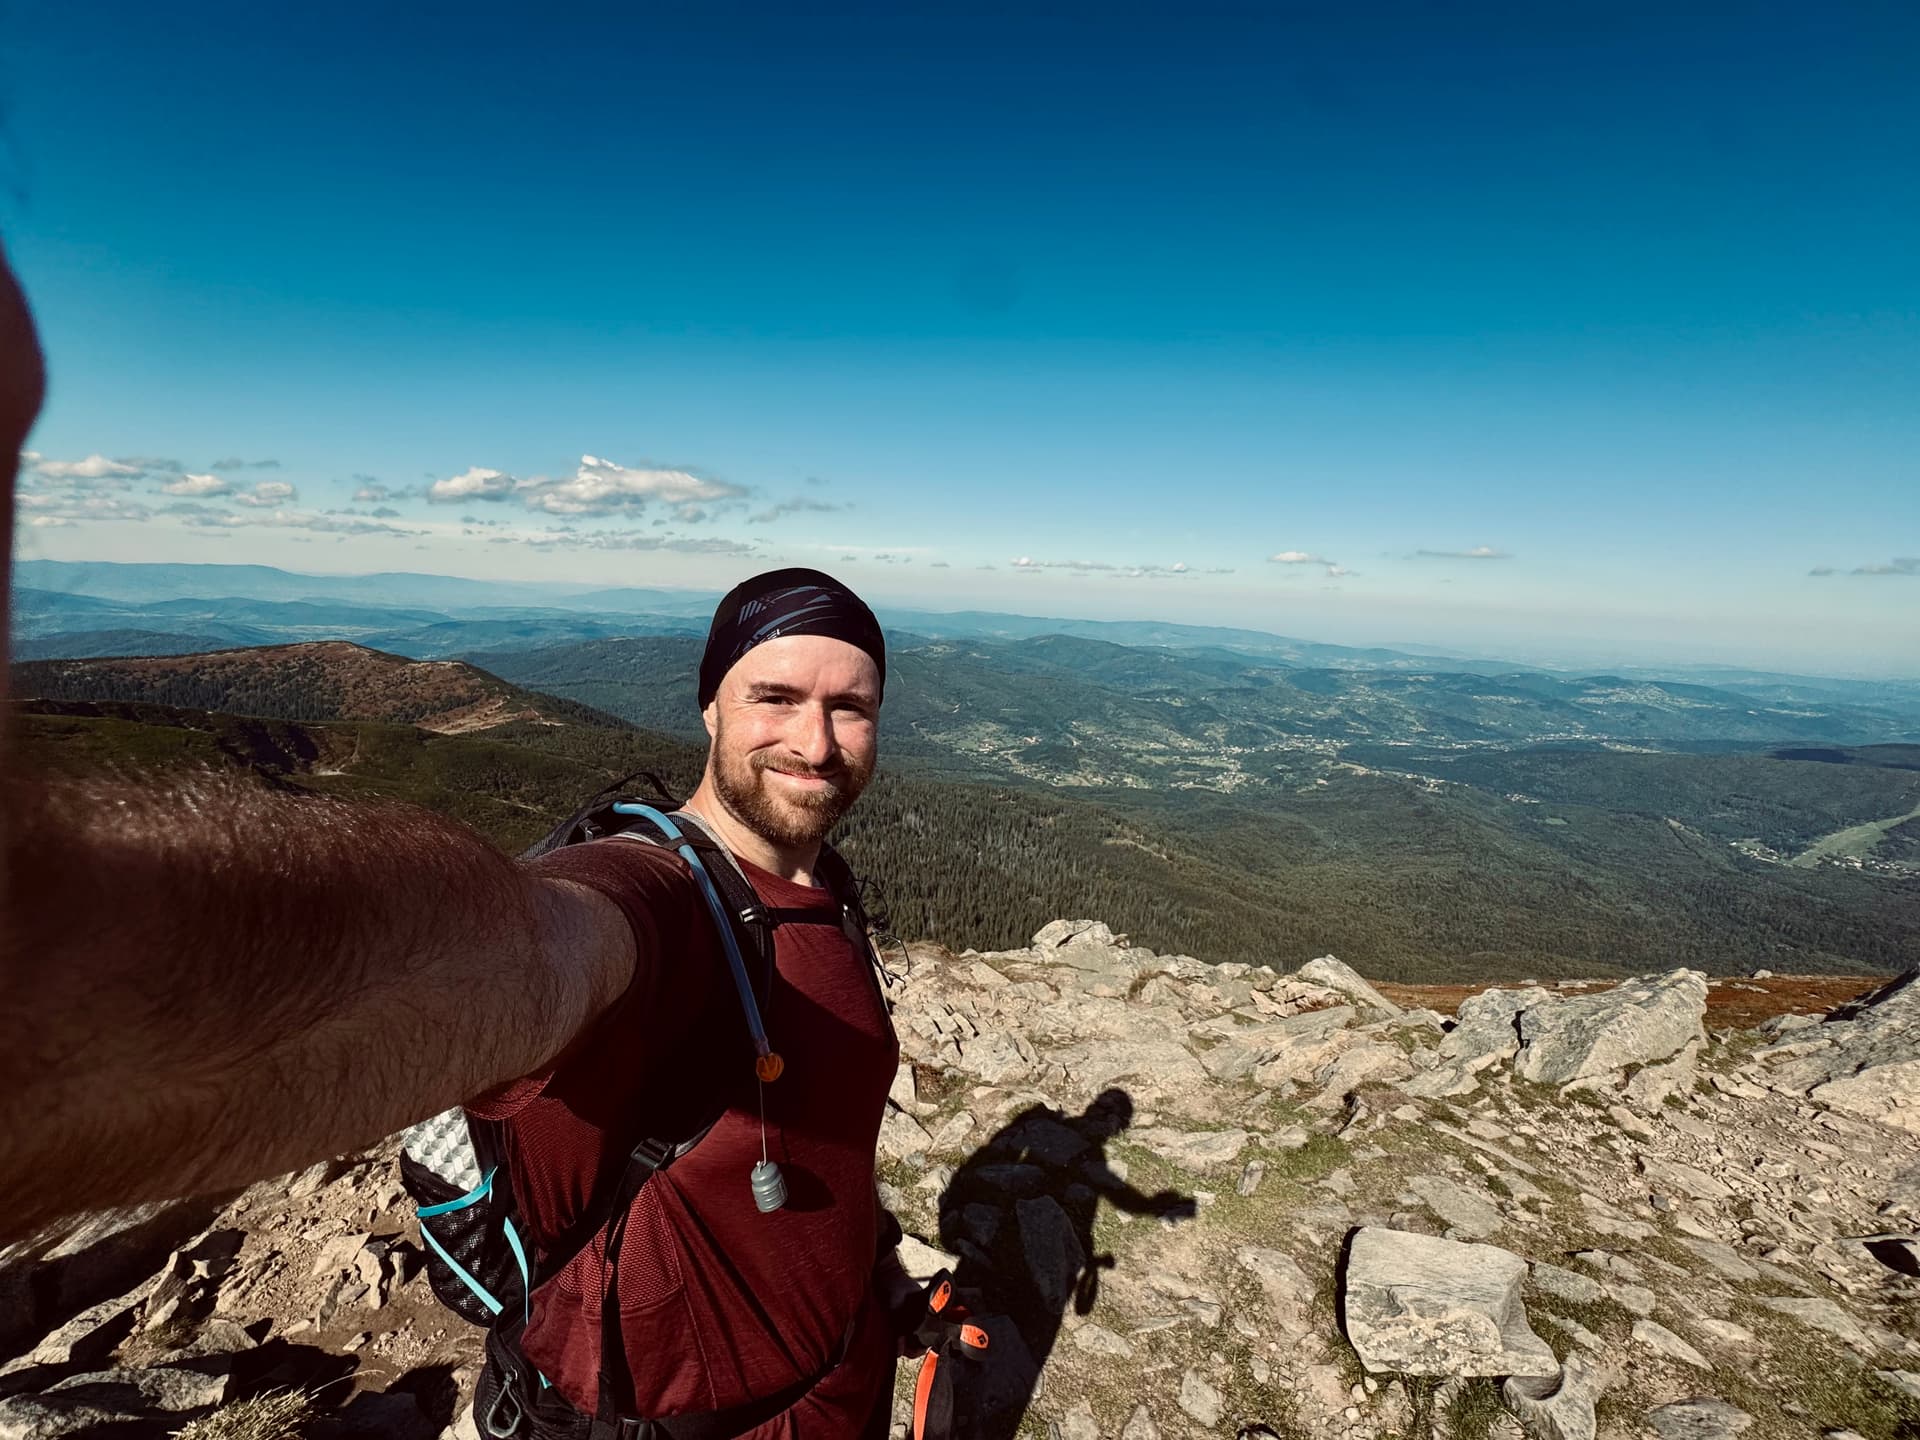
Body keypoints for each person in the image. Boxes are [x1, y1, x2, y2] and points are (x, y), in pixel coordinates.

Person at [0, 244, 915, 1438]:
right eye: (775, 697)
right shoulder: (653, 900)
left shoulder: (820, 887)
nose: (816, 739)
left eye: (851, 706)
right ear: (708, 707)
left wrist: (866, 1263)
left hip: (840, 1384)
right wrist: (51, 986)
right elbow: (510, 949)